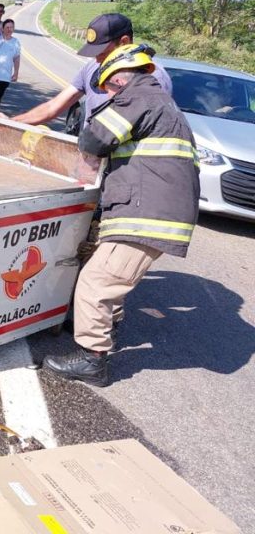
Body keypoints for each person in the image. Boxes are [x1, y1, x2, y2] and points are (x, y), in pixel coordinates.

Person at [41, 44, 200, 387]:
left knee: (95, 283)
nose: (107, 94)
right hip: (155, 210)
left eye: (108, 87)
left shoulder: (137, 96)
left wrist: (96, 114)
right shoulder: (161, 102)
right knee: (109, 275)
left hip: (147, 213)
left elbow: (94, 140)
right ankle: (108, 325)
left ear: (121, 78)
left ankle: (91, 359)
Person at [0, 13, 172, 130]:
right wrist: (11, 122)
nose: (97, 59)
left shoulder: (152, 75)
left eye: (102, 52)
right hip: (91, 166)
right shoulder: (92, 68)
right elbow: (53, 107)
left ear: (124, 42)